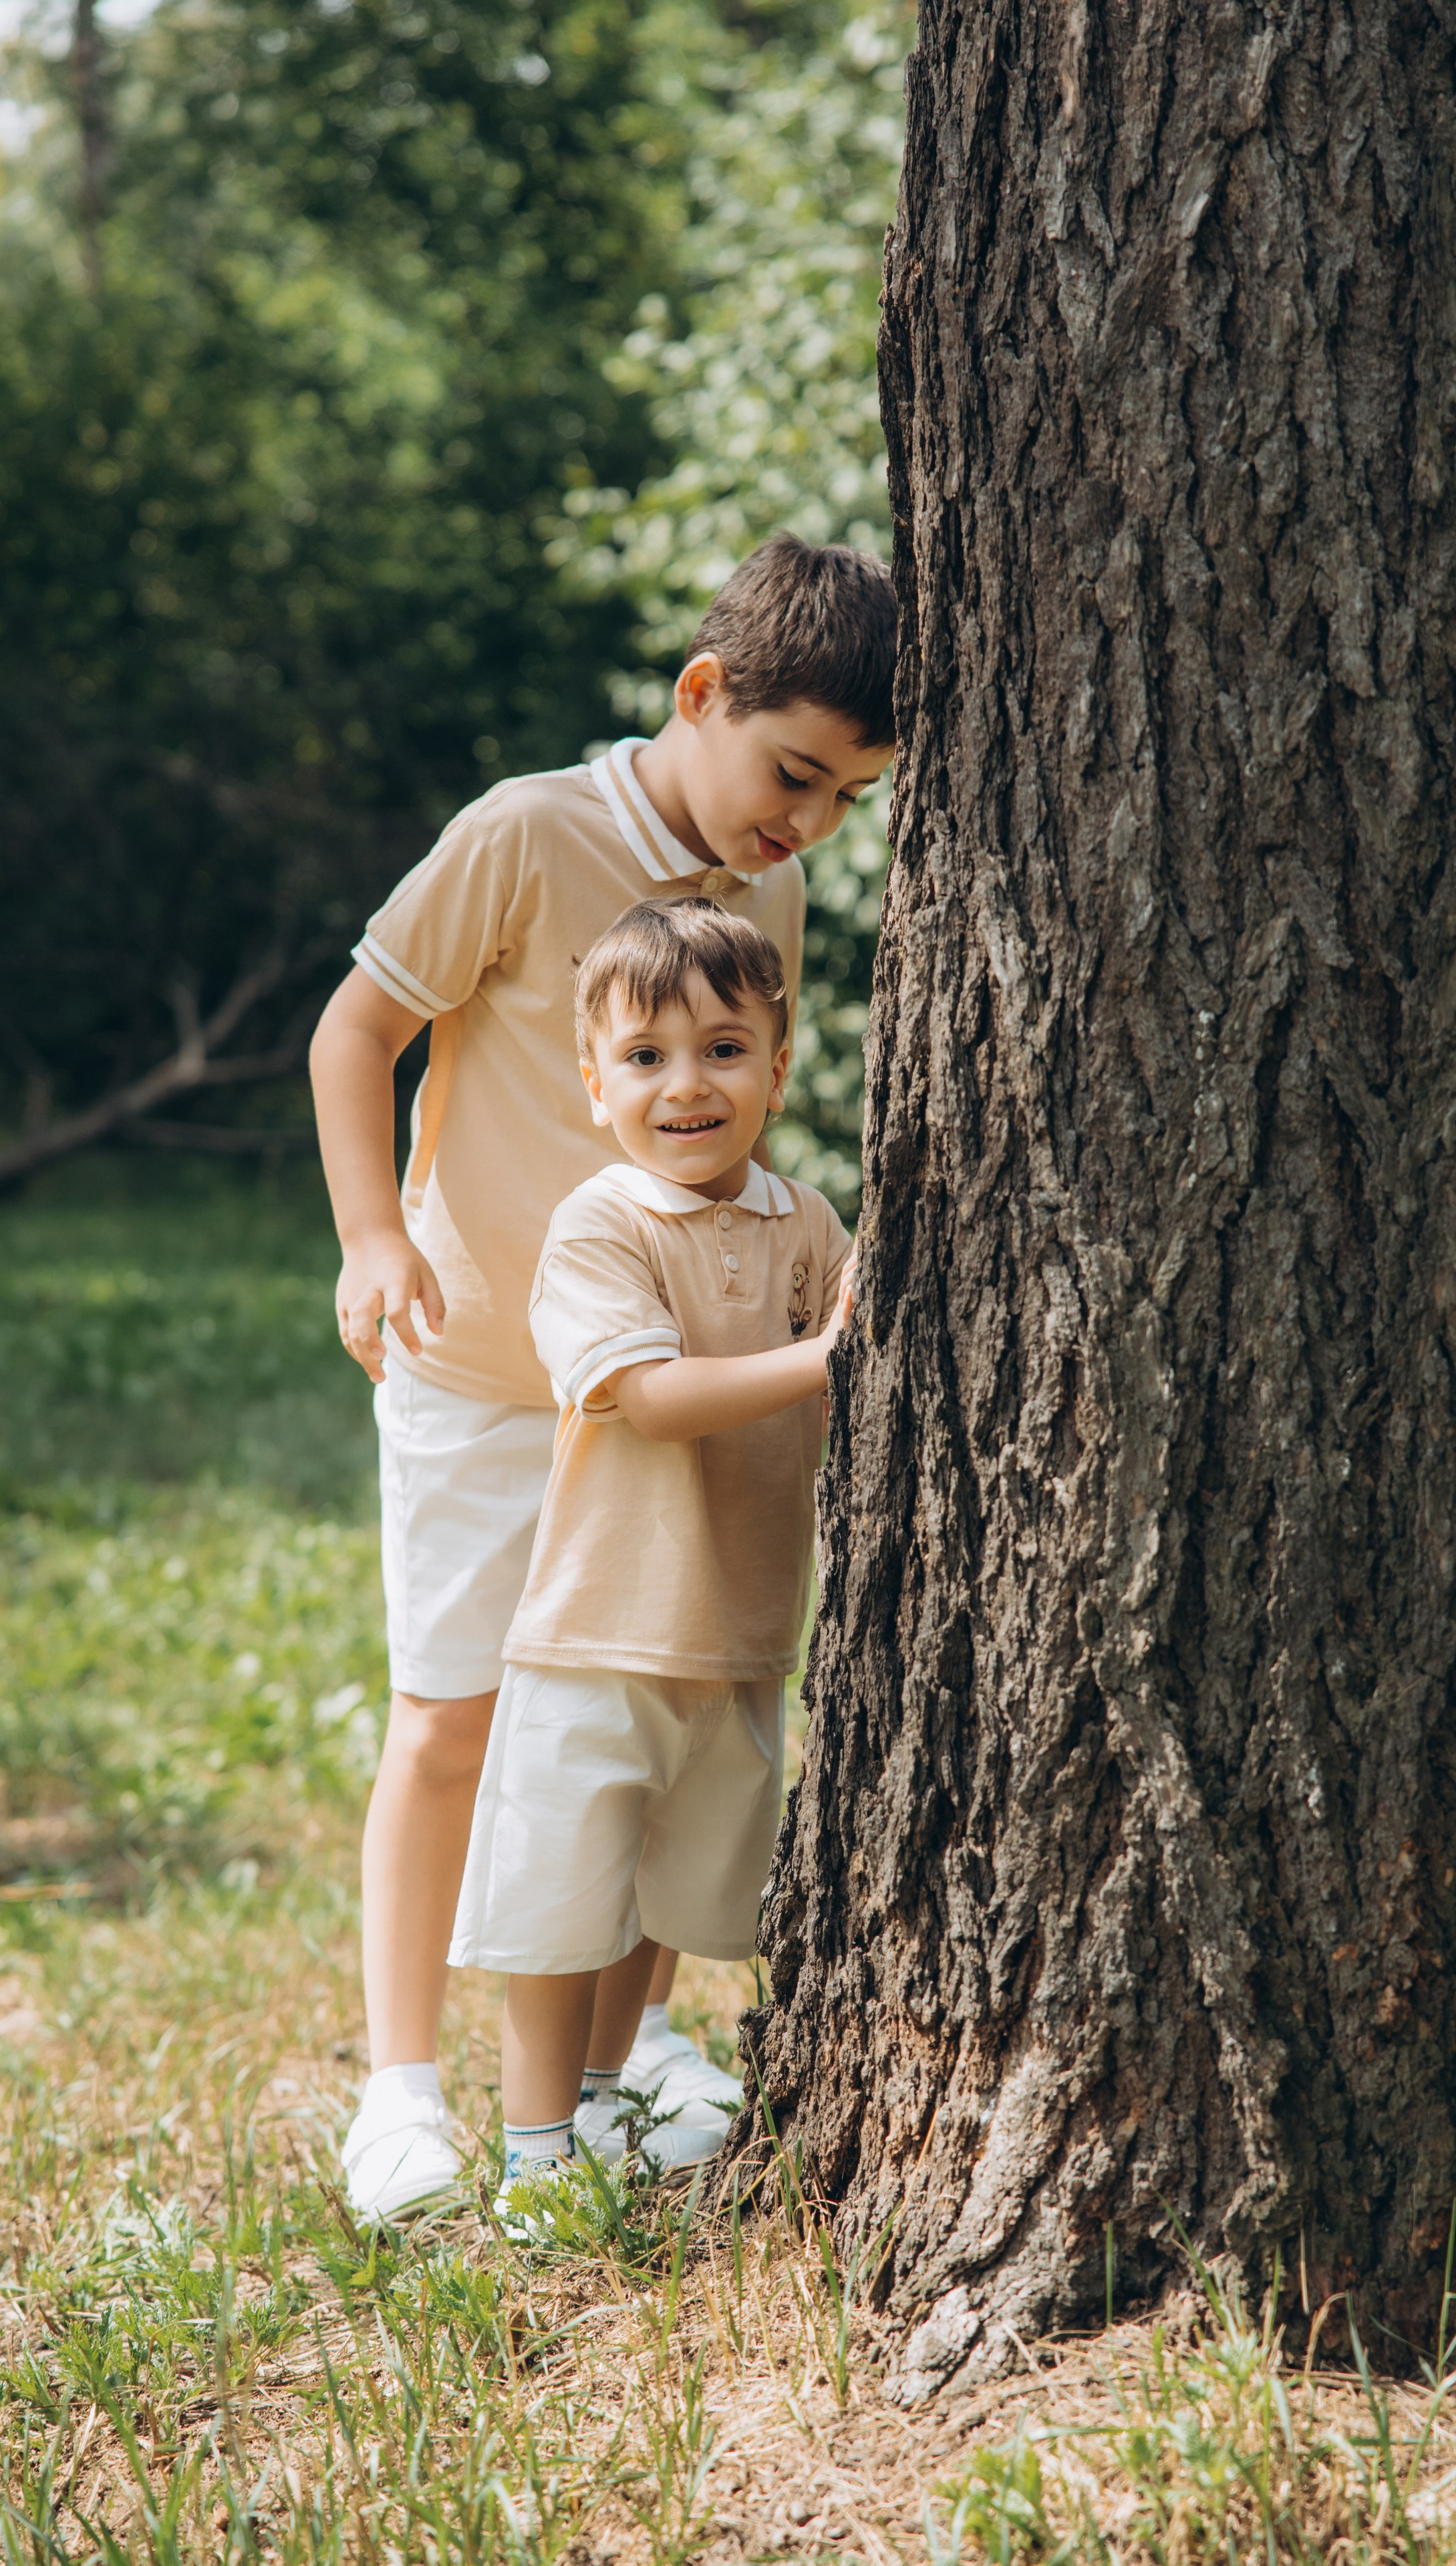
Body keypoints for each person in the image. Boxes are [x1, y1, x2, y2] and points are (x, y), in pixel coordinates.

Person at [308, 535, 895, 2219]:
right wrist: (369, 1239)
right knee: (455, 1720)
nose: (806, 827)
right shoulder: (524, 832)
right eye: (793, 773)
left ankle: (625, 2063)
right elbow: (360, 1029)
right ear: (701, 694)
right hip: (483, 1371)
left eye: (848, 800)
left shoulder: (763, 888)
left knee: (641, 1708)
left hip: (667, 1398)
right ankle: (403, 2091)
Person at [445, 898, 853, 2211]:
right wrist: (828, 1351)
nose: (686, 1085)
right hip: (597, 1633)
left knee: (670, 1903)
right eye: (645, 1058)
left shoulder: (806, 1227)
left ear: (779, 1069)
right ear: (593, 1085)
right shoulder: (601, 1227)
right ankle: (533, 2152)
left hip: (740, 1632)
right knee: (564, 1904)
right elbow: (651, 1396)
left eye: (723, 1049)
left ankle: (609, 2098)